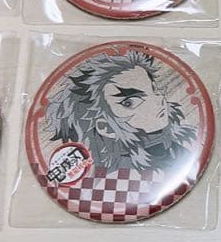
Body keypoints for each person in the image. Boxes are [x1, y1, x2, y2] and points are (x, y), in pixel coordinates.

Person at [45, 50, 195, 174]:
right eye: (130, 102)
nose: (159, 99)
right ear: (105, 127)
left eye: (154, 89)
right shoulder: (123, 176)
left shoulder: (173, 148)